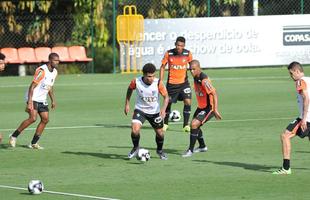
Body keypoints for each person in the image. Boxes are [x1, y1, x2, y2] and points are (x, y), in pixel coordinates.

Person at [9, 53, 59, 149]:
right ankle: (14, 136)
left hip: (42, 99)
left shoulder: (55, 72)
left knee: (45, 119)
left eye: (58, 60)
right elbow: (32, 86)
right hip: (33, 97)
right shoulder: (42, 71)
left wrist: (53, 100)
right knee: (33, 118)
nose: (57, 62)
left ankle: (33, 143)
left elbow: (50, 87)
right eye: (55, 60)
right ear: (50, 60)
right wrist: (30, 102)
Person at [124, 63, 169, 160]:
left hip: (155, 112)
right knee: (135, 130)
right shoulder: (136, 81)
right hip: (140, 110)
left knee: (160, 133)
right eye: (149, 76)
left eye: (153, 76)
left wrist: (163, 109)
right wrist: (127, 103)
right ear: (144, 75)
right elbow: (129, 89)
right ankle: (136, 148)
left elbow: (166, 97)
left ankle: (159, 150)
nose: (151, 78)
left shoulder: (158, 83)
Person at [272, 61, 310, 175]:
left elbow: (306, 99)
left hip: (306, 118)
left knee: (285, 136)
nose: (291, 76)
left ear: (297, 71)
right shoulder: (309, 79)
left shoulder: (300, 82)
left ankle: (286, 168)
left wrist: (303, 119)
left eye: (291, 73)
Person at [182, 60, 222, 157]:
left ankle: (190, 150)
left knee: (194, 124)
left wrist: (215, 109)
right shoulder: (196, 77)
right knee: (195, 126)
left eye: (194, 69)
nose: (192, 71)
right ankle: (202, 146)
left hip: (209, 108)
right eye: (190, 69)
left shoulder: (203, 80)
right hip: (201, 107)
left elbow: (214, 93)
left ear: (199, 68)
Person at [160, 36, 193, 132]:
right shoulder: (169, 53)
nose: (179, 47)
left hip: (184, 83)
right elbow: (162, 67)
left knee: (188, 101)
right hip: (171, 84)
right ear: (175, 44)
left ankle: (186, 125)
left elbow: (192, 67)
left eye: (181, 46)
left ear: (184, 46)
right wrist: (161, 81)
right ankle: (165, 124)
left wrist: (196, 78)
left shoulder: (188, 53)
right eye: (178, 45)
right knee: (168, 103)